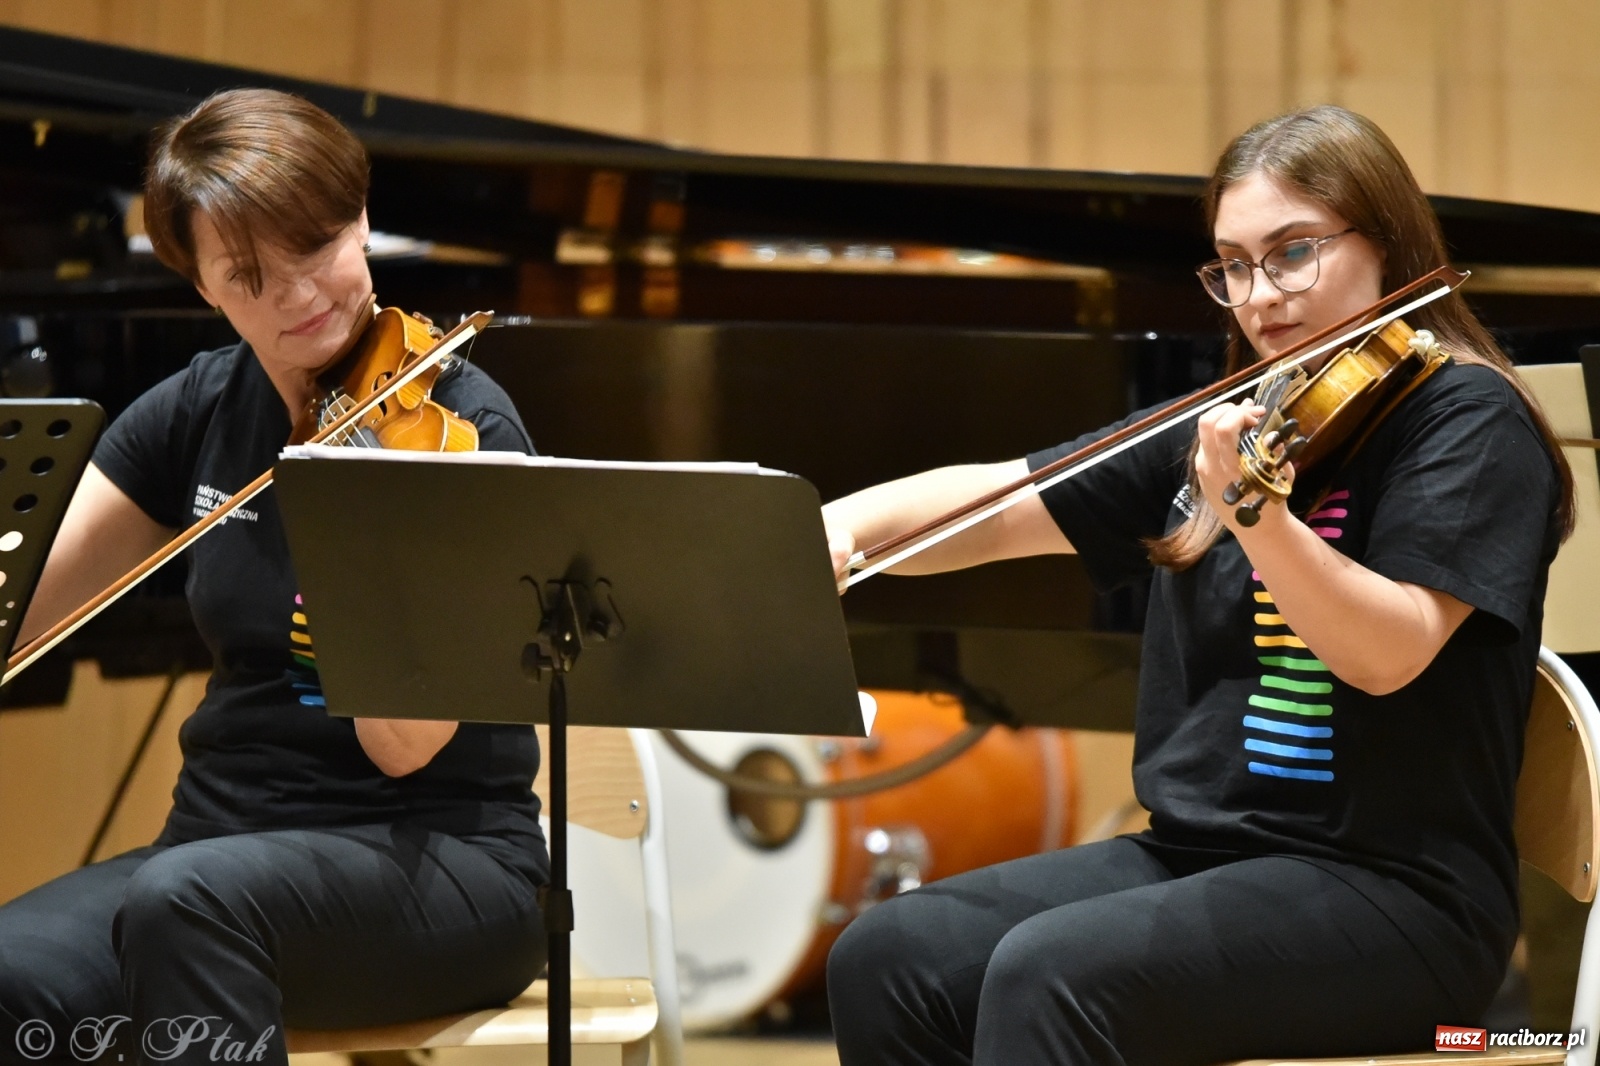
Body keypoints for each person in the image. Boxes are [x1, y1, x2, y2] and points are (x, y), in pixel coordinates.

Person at [822, 104, 1576, 1065]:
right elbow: (1002, 501)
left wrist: (1257, 514)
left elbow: (1385, 653)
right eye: (1234, 265)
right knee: (887, 954)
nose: (1261, 295)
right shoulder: (1246, 417)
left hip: (1394, 896)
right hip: (1198, 855)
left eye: (1293, 252)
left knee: (1050, 974)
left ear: (1388, 244)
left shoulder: (1466, 423)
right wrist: (838, 527)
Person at [0, 89, 547, 1065]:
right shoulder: (201, 406)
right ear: (202, 284)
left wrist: (358, 517)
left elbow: (406, 749)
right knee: (12, 971)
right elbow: (26, 607)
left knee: (187, 906)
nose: (296, 295)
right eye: (248, 274)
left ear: (364, 219)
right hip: (215, 844)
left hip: (445, 860)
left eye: (317, 246)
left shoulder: (463, 427)